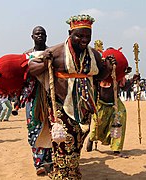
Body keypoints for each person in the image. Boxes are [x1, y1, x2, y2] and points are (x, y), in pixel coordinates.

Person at [28, 14, 114, 179]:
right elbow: (32, 67)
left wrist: (108, 68)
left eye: (87, 36)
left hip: (84, 107)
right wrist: (45, 62)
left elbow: (98, 76)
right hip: (60, 105)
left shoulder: (94, 55)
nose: (84, 40)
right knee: (63, 140)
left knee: (78, 141)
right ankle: (61, 172)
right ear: (70, 33)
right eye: (80, 36)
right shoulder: (56, 51)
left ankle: (72, 171)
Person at [87, 51, 139, 157]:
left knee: (120, 120)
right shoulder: (98, 76)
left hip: (115, 103)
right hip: (101, 103)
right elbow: (93, 90)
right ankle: (92, 138)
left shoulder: (118, 77)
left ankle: (117, 149)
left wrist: (133, 79)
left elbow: (124, 87)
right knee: (98, 125)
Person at [23, 26, 53, 175]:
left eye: (42, 33)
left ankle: (50, 160)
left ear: (46, 36)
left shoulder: (52, 54)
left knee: (51, 127)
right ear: (32, 36)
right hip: (33, 98)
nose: (40, 36)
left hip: (50, 97)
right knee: (34, 128)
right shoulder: (26, 56)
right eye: (37, 33)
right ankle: (39, 163)